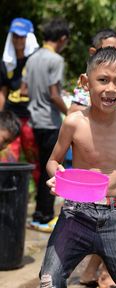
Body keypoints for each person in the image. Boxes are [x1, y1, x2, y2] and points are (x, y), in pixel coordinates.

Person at [41, 47, 116, 288]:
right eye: (102, 80)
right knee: (49, 281)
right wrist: (55, 173)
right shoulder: (74, 122)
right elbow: (53, 161)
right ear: (86, 82)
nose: (111, 89)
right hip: (76, 213)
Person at [22, 18, 69, 230]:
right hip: (49, 122)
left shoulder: (31, 58)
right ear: (62, 39)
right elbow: (54, 94)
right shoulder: (56, 59)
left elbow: (23, 90)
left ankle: (37, 216)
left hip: (33, 121)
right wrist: (70, 113)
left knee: (40, 169)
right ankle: (46, 216)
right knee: (52, 169)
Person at [69, 8, 116, 114]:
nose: (113, 56)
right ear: (93, 52)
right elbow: (73, 111)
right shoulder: (91, 79)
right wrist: (105, 110)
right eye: (107, 51)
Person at [0, 17, 40, 188]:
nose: (18, 40)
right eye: (15, 36)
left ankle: (40, 202)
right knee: (7, 158)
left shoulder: (37, 61)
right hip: (11, 118)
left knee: (34, 160)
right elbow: (2, 92)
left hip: (31, 118)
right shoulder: (6, 63)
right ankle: (6, 193)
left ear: (29, 38)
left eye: (22, 36)